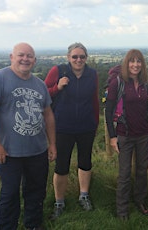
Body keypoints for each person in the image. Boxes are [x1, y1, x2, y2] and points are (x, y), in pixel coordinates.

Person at [0, 42, 57, 230]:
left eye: (29, 56)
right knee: (10, 194)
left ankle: (33, 225)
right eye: (21, 55)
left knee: (36, 192)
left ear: (35, 60)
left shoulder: (39, 85)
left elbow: (48, 115)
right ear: (11, 57)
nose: (25, 59)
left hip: (37, 151)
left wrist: (52, 144)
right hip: (8, 152)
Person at [44, 42, 99, 219]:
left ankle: (84, 196)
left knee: (85, 162)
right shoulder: (58, 71)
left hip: (86, 126)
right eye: (74, 56)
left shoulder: (92, 74)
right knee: (61, 165)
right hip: (62, 127)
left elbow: (94, 100)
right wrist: (57, 87)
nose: (78, 60)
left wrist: (95, 122)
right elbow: (43, 94)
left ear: (86, 58)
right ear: (68, 57)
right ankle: (59, 201)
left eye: (82, 56)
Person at [105, 49, 148, 220]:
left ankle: (141, 201)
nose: (135, 64)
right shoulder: (118, 83)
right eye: (132, 61)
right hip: (124, 134)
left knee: (142, 170)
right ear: (126, 63)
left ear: (142, 64)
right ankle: (122, 210)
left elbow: (147, 111)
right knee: (125, 174)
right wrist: (112, 137)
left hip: (143, 134)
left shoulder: (143, 84)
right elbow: (108, 111)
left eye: (139, 61)